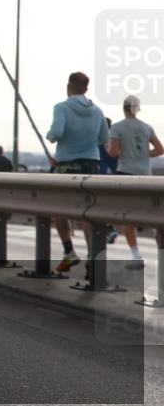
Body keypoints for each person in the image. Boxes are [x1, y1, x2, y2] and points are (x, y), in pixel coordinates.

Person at [45, 71, 109, 273]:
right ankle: (92, 256)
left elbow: (56, 133)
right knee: (87, 213)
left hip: (67, 165)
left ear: (68, 87)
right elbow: (103, 138)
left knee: (59, 209)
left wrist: (50, 135)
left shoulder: (61, 108)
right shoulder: (98, 111)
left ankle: (69, 252)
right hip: (92, 166)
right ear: (86, 89)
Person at [107, 95, 163, 269]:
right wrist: (144, 154)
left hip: (126, 173)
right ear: (138, 109)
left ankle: (136, 255)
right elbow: (160, 149)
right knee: (153, 217)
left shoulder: (117, 127)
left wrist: (111, 148)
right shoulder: (147, 127)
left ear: (124, 108)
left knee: (128, 217)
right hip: (146, 174)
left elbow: (114, 153)